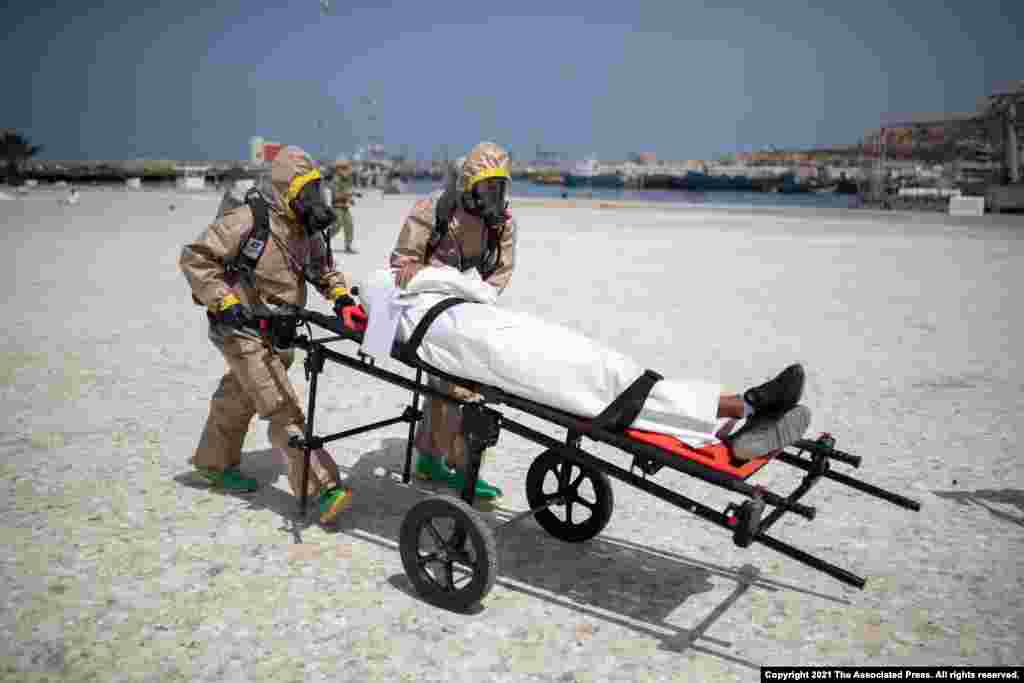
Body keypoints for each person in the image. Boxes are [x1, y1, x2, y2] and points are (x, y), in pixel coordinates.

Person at [364, 265, 810, 462]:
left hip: (499, 330)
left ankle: (735, 419)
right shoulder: (391, 295)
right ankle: (742, 408)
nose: (403, 269)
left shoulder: (427, 284)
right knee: (602, 385)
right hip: (483, 349)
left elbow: (482, 292)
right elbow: (380, 341)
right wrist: (402, 282)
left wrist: (424, 274)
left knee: (604, 366)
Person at [179, 145, 369, 525]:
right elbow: (196, 257)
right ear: (286, 190)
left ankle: (212, 464)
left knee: (240, 395)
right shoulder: (249, 220)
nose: (314, 200)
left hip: (280, 329)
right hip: (241, 327)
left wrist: (342, 298)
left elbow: (322, 269)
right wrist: (224, 300)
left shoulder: (304, 227)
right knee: (281, 405)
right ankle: (323, 487)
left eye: (317, 191)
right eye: (306, 192)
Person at [389, 142, 517, 503]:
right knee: (460, 391)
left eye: (499, 187)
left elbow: (500, 274)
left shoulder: (503, 223)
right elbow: (403, 262)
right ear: (468, 185)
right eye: (486, 187)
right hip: (428, 311)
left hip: (471, 310)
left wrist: (478, 297)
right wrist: (434, 280)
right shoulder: (435, 209)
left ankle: (430, 458)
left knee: (447, 389)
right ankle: (462, 470)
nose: (493, 196)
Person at [330, 158, 358, 254]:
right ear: (339, 169)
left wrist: (350, 198)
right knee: (337, 226)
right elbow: (336, 195)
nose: (347, 171)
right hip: (337, 207)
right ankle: (324, 240)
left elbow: (347, 192)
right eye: (345, 168)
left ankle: (348, 246)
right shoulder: (336, 180)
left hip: (345, 207)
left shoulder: (347, 180)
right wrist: (348, 195)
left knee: (349, 225)